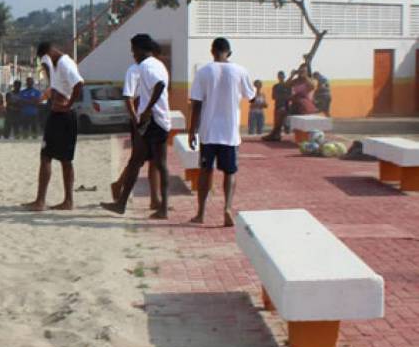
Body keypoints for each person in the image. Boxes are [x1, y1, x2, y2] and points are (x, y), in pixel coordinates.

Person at [186, 38, 256, 227]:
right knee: (230, 172)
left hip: (208, 132)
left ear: (212, 51)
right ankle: (227, 208)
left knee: (205, 172)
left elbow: (196, 104)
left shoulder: (203, 72)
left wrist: (192, 131)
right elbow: (251, 96)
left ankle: (200, 213)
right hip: (230, 132)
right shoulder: (240, 71)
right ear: (229, 53)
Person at [102, 33, 171, 219]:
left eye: (133, 50)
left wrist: (144, 113)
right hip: (160, 120)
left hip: (150, 122)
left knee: (151, 164)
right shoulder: (158, 64)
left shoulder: (142, 67)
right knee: (142, 163)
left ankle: (158, 207)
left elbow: (158, 87)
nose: (132, 53)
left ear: (140, 49)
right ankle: (124, 203)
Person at [23, 42, 84, 212]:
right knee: (47, 156)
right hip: (57, 115)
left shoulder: (64, 62)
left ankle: (59, 201)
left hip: (64, 116)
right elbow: (57, 87)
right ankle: (44, 200)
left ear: (48, 53)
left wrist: (68, 105)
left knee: (61, 159)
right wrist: (45, 95)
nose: (44, 67)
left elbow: (79, 84)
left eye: (43, 63)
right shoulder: (57, 66)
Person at [110, 56, 162, 210]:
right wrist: (135, 120)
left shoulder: (155, 69)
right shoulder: (133, 70)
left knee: (155, 159)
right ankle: (119, 185)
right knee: (138, 159)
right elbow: (129, 97)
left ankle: (154, 198)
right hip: (140, 120)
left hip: (154, 118)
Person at [263, 71, 291, 140]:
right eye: (280, 76)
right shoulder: (276, 86)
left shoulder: (288, 86)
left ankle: (276, 135)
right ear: (278, 77)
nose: (281, 77)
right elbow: (274, 96)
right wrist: (282, 96)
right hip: (278, 105)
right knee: (277, 122)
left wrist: (282, 96)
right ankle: (276, 135)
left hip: (285, 106)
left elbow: (289, 96)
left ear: (284, 77)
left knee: (283, 122)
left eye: (282, 76)